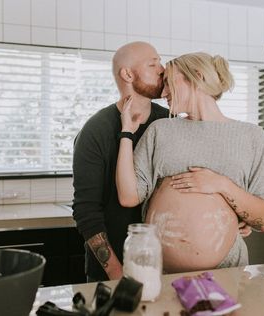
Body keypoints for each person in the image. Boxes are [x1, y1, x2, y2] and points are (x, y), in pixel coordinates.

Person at [116, 52, 264, 273]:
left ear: (196, 76)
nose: (162, 92)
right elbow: (128, 196)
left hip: (228, 275)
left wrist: (221, 184)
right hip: (160, 275)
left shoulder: (250, 136)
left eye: (168, 82)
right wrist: (126, 133)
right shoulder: (161, 130)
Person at [72, 42, 169, 281]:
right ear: (127, 74)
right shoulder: (96, 131)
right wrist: (117, 273)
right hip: (111, 272)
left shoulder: (169, 122)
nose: (162, 69)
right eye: (152, 64)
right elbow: (86, 212)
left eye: (161, 62)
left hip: (164, 268)